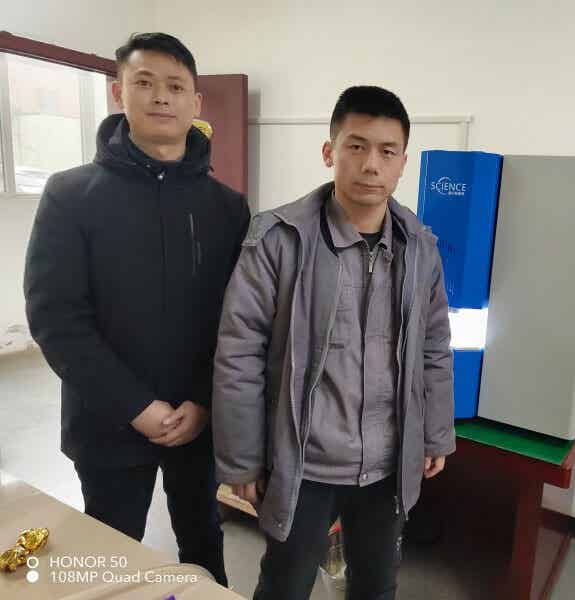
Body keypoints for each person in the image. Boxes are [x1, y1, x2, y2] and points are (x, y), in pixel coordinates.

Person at [213, 85, 456, 600]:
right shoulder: (278, 240)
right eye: (356, 146)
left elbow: (434, 346)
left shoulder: (420, 246)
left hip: (387, 462)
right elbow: (239, 352)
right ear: (330, 151)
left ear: (403, 163)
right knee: (285, 585)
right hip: (304, 461)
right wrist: (242, 459)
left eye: (387, 151)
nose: (371, 164)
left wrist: (436, 433)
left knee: (376, 585)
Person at [24, 32, 250, 586]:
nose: (161, 97)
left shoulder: (226, 207)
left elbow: (238, 320)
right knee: (110, 556)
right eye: (145, 82)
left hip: (198, 421)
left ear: (196, 102)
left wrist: (202, 400)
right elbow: (56, 318)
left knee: (203, 546)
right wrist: (135, 406)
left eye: (176, 86)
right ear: (118, 92)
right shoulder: (71, 195)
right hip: (107, 421)